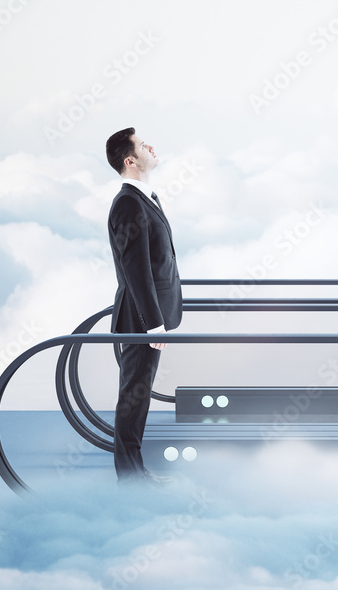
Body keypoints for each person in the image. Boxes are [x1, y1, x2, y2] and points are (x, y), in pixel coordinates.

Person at [105, 127, 184, 487]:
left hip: (146, 317)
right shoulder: (128, 203)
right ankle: (129, 478)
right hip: (140, 319)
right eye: (143, 145)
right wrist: (152, 323)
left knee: (137, 394)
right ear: (130, 160)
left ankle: (133, 473)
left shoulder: (143, 198)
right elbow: (136, 270)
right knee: (133, 397)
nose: (152, 146)